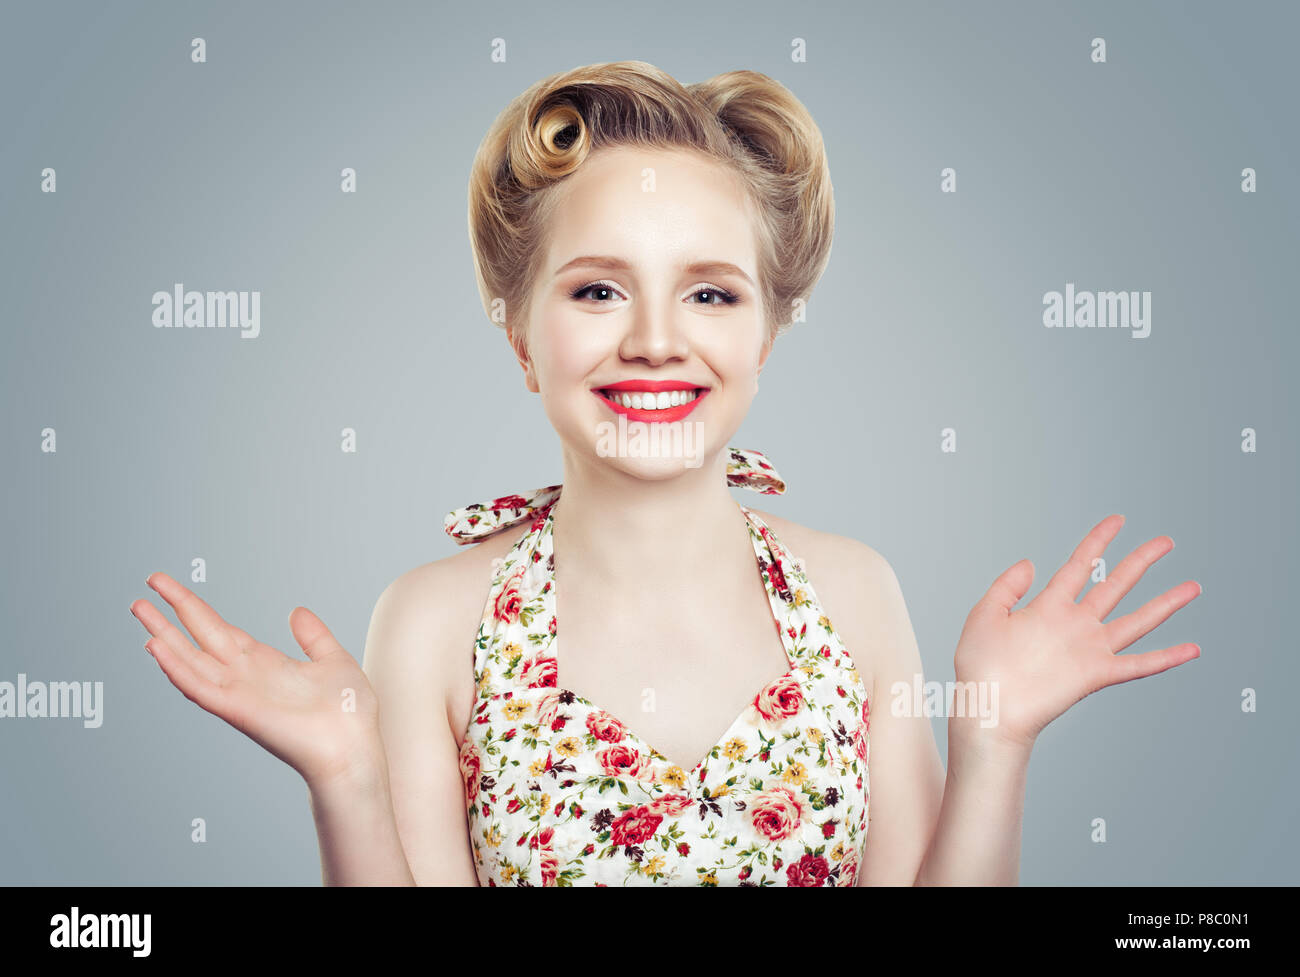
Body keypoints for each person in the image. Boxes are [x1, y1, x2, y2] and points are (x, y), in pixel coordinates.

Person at [128, 61, 1201, 886]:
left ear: (768, 335)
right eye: (596, 291)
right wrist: (345, 777)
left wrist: (995, 741)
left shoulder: (855, 595)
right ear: (518, 335)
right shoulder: (430, 621)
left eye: (711, 294)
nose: (652, 340)